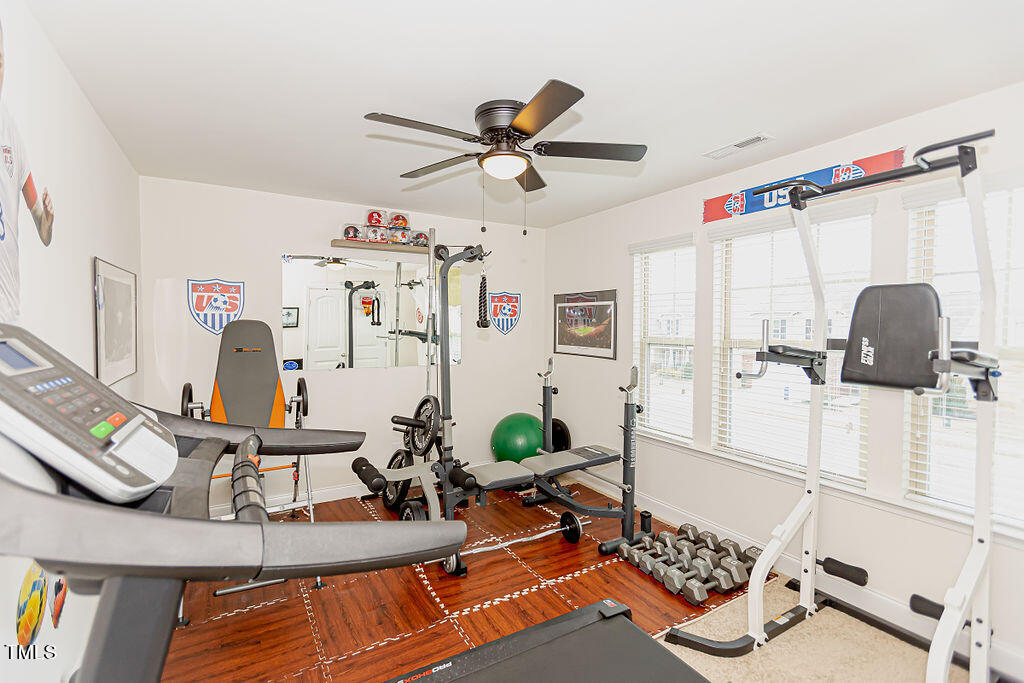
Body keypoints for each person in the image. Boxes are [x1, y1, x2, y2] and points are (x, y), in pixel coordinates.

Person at [0, 18, 55, 322]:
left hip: (8, 318)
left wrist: (46, 219)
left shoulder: (11, 134)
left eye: (0, 61)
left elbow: (44, 232)